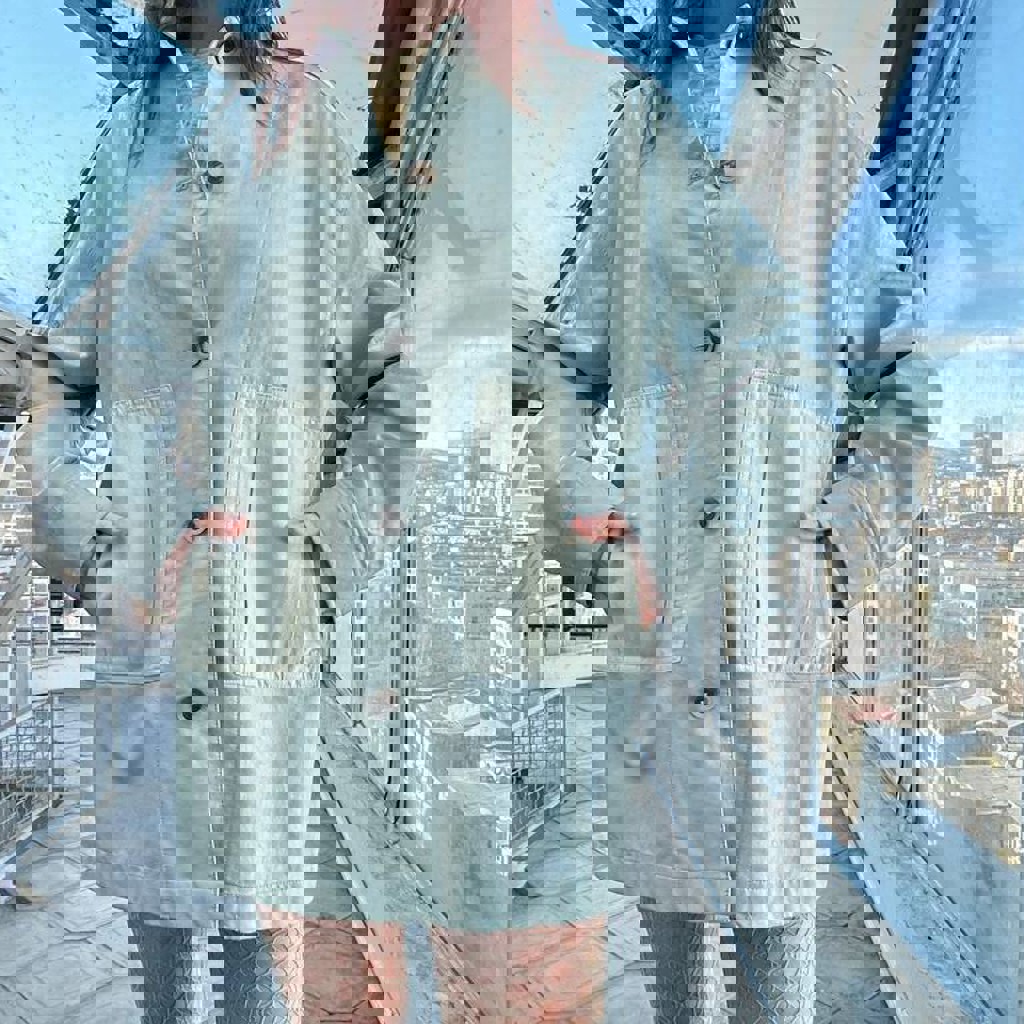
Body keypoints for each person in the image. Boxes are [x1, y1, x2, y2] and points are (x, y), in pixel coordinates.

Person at [546, 1, 933, 1020]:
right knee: (670, 925)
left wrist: (837, 550)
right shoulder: (639, 122)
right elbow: (564, 358)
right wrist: (591, 527)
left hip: (773, 593)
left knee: (773, 921)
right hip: (655, 583)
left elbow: (894, 364)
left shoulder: (816, 110)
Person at [23, 1, 404, 1020]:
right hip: (143, 610)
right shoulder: (128, 125)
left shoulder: (313, 130)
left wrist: (325, 558)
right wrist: (87, 549)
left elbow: (391, 383)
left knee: (255, 939)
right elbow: (61, 371)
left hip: (270, 615)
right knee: (158, 931)